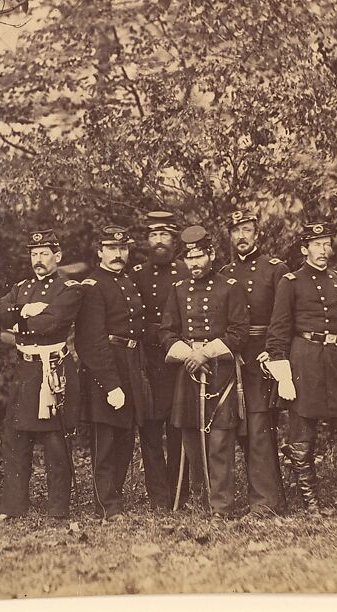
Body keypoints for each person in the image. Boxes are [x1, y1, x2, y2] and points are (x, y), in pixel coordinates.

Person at [266, 221, 337, 515]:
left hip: (335, 363)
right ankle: (311, 505)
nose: (324, 250)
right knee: (302, 437)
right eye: (317, 245)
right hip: (304, 361)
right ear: (304, 249)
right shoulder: (291, 281)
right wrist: (282, 372)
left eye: (327, 244)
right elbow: (278, 330)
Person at [0, 228, 84, 520]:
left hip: (53, 370)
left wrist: (18, 323)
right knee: (15, 439)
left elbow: (52, 323)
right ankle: (13, 507)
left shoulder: (69, 288)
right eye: (34, 254)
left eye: (44, 253)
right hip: (25, 370)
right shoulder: (21, 288)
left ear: (57, 256)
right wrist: (25, 309)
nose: (38, 259)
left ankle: (58, 509)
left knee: (56, 442)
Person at [160, 225, 249, 518]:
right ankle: (202, 498)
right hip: (188, 371)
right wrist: (189, 354)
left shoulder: (229, 287)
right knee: (190, 438)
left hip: (219, 371)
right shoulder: (177, 289)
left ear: (211, 254)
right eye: (189, 258)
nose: (194, 263)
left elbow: (239, 332)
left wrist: (205, 353)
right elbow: (167, 332)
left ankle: (221, 505)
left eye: (199, 256)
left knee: (220, 439)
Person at [74, 225, 153, 519]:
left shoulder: (127, 282)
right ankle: (106, 504)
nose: (118, 254)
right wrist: (110, 384)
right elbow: (90, 341)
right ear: (99, 252)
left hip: (130, 363)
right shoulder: (93, 286)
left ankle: (113, 498)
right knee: (105, 440)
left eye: (122, 249)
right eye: (111, 249)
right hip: (105, 369)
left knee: (124, 436)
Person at [220, 210, 287, 517]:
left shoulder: (274, 270)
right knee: (243, 429)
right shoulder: (223, 272)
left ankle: (266, 502)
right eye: (237, 231)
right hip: (233, 358)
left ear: (257, 234)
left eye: (247, 229)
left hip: (262, 358)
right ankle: (260, 495)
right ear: (230, 237)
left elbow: (282, 317)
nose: (242, 236)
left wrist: (273, 353)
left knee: (260, 426)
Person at [130, 210, 187, 509]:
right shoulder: (137, 274)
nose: (159, 241)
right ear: (147, 240)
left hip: (177, 363)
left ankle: (180, 493)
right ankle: (158, 496)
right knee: (150, 431)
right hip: (148, 364)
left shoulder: (185, 272)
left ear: (174, 240)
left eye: (164, 235)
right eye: (154, 235)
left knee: (178, 429)